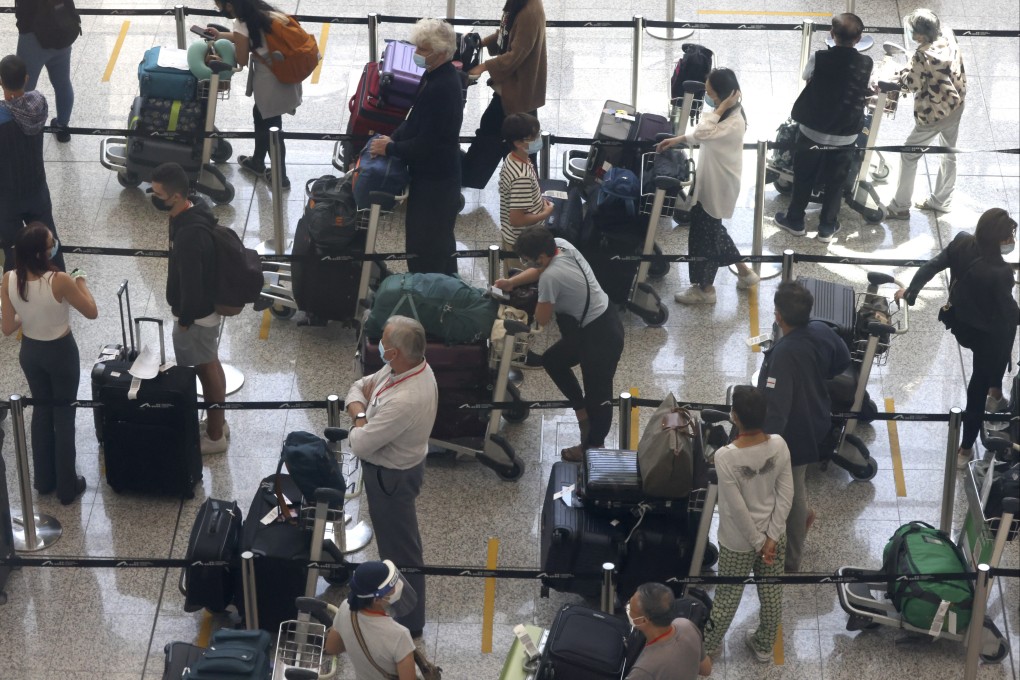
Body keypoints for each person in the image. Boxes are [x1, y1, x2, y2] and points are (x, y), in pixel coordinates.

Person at [894, 208, 1018, 467]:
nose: (1012, 241)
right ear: (998, 240)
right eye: (1009, 237)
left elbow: (931, 266)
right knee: (976, 390)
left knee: (985, 374)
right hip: (989, 336)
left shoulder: (962, 241)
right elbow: (1010, 315)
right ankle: (965, 449)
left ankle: (995, 394)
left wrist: (911, 293)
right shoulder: (1000, 272)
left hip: (961, 324)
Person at [494, 226, 624, 461]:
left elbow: (542, 319)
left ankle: (592, 448)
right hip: (598, 318)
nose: (524, 264)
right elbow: (538, 271)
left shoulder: (550, 278)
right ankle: (580, 410)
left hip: (600, 336)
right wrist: (511, 283)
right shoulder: (562, 245)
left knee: (599, 394)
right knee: (553, 361)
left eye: (527, 259)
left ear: (541, 257)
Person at [344, 315, 438, 638]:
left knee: (401, 551)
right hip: (395, 470)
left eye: (384, 344)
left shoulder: (406, 399)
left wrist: (358, 415)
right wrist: (362, 411)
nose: (379, 348)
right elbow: (359, 386)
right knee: (395, 545)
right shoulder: (405, 368)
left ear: (396, 352)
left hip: (391, 480)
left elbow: (359, 443)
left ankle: (409, 623)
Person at [756, 282, 850, 572]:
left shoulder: (783, 353)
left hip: (795, 434)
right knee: (793, 486)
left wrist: (764, 444)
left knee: (792, 490)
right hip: (818, 416)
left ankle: (791, 559)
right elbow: (843, 360)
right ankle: (803, 515)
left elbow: (777, 410)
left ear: (778, 316)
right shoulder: (822, 330)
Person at [1, 222, 96, 505]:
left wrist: (30, 315)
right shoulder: (61, 280)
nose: (55, 244)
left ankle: (43, 480)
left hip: (30, 353)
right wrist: (81, 282)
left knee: (41, 412)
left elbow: (7, 326)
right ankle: (68, 486)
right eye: (51, 242)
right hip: (61, 353)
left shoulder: (8, 279)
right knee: (64, 415)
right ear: (43, 253)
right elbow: (91, 311)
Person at [702, 385, 793, 662]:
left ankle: (706, 648)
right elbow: (786, 494)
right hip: (774, 536)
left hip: (738, 542)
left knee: (728, 595)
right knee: (771, 592)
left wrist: (757, 543)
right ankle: (765, 645)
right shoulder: (778, 444)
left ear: (735, 417)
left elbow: (736, 507)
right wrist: (771, 539)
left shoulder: (725, 456)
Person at [656, 68, 759, 304]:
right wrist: (679, 139)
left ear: (724, 94)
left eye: (712, 93)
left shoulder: (733, 120)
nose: (709, 97)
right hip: (710, 183)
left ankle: (706, 290)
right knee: (712, 231)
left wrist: (719, 108)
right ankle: (745, 273)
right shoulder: (728, 112)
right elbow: (706, 133)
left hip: (718, 188)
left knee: (704, 237)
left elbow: (704, 132)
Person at [369, 19, 463, 276]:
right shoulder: (435, 74)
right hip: (436, 174)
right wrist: (394, 138)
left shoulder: (441, 88)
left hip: (436, 180)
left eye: (423, 50)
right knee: (441, 241)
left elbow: (428, 144)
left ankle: (427, 295)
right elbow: (415, 118)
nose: (417, 54)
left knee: (425, 246)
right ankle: (446, 286)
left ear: (441, 53)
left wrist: (390, 149)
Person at [151, 162, 229, 456]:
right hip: (203, 311)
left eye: (158, 193)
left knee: (205, 370)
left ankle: (215, 435)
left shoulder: (188, 235)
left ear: (175, 196)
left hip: (195, 315)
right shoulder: (195, 209)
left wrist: (184, 320)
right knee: (211, 363)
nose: (153, 197)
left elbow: (192, 286)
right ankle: (218, 421)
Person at [773, 13, 873, 244]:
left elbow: (806, 76)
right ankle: (827, 227)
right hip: (846, 136)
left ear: (831, 33)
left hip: (813, 133)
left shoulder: (819, 57)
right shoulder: (866, 63)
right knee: (836, 182)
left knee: (804, 176)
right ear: (859, 39)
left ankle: (795, 220)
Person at [208, 0, 303, 189]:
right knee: (262, 117)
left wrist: (221, 56)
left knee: (272, 128)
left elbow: (241, 59)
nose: (221, 10)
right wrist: (221, 36)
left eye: (220, 7)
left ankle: (280, 177)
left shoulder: (242, 22)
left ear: (229, 5)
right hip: (285, 73)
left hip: (270, 82)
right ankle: (258, 161)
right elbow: (248, 35)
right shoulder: (263, 12)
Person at [886, 9, 967, 219]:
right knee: (949, 153)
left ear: (920, 35)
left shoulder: (922, 55)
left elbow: (911, 84)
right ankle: (942, 201)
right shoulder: (948, 34)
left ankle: (900, 205)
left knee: (909, 153)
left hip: (934, 114)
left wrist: (903, 70)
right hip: (955, 104)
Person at [461, 0, 547, 189]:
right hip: (515, 91)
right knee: (521, 140)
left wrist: (484, 66)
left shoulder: (529, 12)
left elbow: (517, 53)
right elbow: (506, 35)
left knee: (498, 135)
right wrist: (481, 43)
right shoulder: (518, 5)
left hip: (517, 90)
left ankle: (470, 178)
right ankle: (531, 188)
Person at [0, 54, 66, 273]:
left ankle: (16, 292)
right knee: (50, 242)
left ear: (1, 81)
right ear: (26, 78)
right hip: (37, 187)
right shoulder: (39, 102)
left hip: (7, 196)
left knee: (12, 248)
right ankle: (61, 286)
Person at [323, 560, 418, 680]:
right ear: (376, 600)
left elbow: (332, 647)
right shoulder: (399, 634)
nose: (398, 585)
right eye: (392, 586)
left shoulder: (345, 608)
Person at [15, 0, 79, 143]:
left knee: (24, 87)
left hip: (32, 39)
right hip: (62, 32)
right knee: (63, 84)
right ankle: (63, 127)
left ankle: (22, 128)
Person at [498, 112, 553, 274]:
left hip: (516, 237)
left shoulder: (513, 158)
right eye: (534, 136)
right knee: (521, 288)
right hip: (523, 242)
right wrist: (545, 214)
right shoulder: (521, 176)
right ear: (519, 142)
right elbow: (516, 219)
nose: (538, 139)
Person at [625, 582, 712, 679]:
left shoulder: (643, 670)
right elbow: (706, 669)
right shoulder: (686, 625)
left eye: (630, 607)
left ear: (643, 620)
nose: (627, 608)